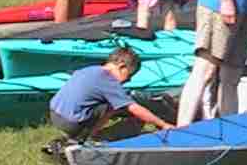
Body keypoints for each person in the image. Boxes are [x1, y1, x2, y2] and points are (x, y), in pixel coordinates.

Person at [46, 48, 174, 153]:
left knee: (113, 102)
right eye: (129, 75)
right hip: (71, 122)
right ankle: (92, 139)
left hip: (54, 114)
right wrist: (163, 124)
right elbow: (134, 108)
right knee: (114, 106)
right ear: (122, 67)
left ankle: (76, 138)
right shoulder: (107, 79)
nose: (128, 80)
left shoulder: (90, 70)